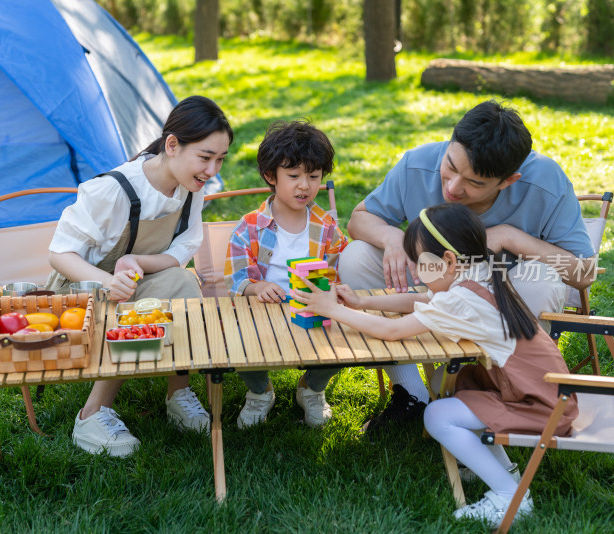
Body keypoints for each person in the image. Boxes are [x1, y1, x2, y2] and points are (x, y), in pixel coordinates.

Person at [294, 203, 579, 528]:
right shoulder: (479, 273)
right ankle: (505, 472)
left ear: (448, 261)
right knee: (451, 396)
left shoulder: (462, 298)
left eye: (419, 263)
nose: (414, 270)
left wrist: (334, 311)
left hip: (539, 405)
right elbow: (424, 301)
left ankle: (510, 496)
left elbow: (392, 332)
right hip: (547, 393)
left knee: (438, 414)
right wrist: (363, 302)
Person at [338, 100, 594, 436]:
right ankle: (410, 391)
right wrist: (392, 238)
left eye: (474, 182)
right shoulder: (417, 163)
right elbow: (359, 219)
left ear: (508, 180)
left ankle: (501, 395)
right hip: (431, 287)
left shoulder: (546, 182)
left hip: (500, 303)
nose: (453, 187)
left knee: (543, 281)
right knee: (355, 256)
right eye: (451, 166)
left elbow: (584, 273)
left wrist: (510, 237)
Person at [46, 95, 233, 456]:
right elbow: (59, 253)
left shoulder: (191, 189)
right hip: (81, 289)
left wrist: (136, 261)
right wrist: (108, 282)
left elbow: (183, 250)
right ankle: (91, 415)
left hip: (130, 280)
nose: (213, 170)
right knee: (130, 305)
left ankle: (178, 392)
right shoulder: (113, 189)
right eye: (206, 157)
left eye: (220, 160)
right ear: (173, 146)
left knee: (183, 283)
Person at [224, 120, 349, 428]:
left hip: (312, 311)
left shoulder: (327, 227)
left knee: (348, 336)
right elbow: (236, 279)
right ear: (271, 176)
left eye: (314, 176)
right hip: (263, 314)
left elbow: (337, 273)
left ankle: (311, 388)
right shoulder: (250, 226)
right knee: (238, 341)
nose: (304, 185)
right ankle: (259, 391)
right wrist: (257, 287)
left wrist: (332, 292)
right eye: (293, 176)